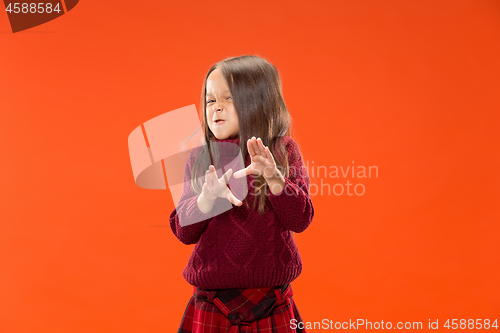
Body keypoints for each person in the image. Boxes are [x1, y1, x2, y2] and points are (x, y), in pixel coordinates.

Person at [169, 55, 314, 333]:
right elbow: (183, 231)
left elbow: (302, 218)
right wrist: (206, 200)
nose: (216, 108)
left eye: (228, 98)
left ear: (258, 102)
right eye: (210, 100)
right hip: (211, 303)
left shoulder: (284, 150)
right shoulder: (201, 157)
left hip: (272, 299)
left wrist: (274, 178)